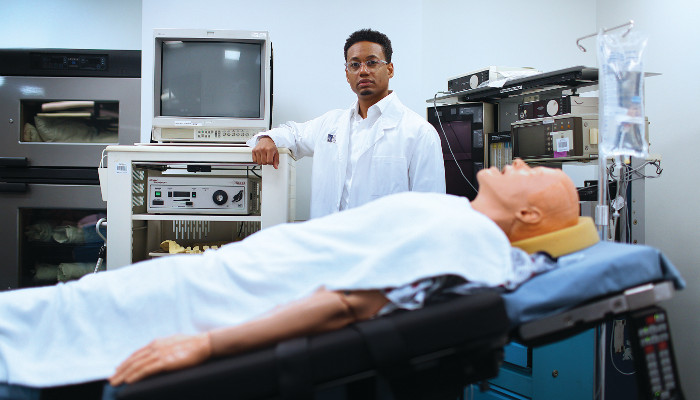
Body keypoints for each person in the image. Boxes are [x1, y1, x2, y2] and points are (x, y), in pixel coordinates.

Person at [0, 160, 597, 398]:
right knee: (47, 316)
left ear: (526, 216)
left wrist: (204, 343)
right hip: (219, 277)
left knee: (45, 326)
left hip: (213, 299)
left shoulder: (469, 236)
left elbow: (346, 307)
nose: (520, 160)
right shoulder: (453, 217)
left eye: (536, 171)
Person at [247, 28, 446, 219]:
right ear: (347, 73)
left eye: (372, 62)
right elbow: (293, 133)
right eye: (355, 65)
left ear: (390, 69)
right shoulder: (331, 124)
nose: (363, 71)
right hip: (329, 244)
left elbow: (430, 211)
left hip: (385, 250)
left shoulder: (419, 133)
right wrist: (267, 138)